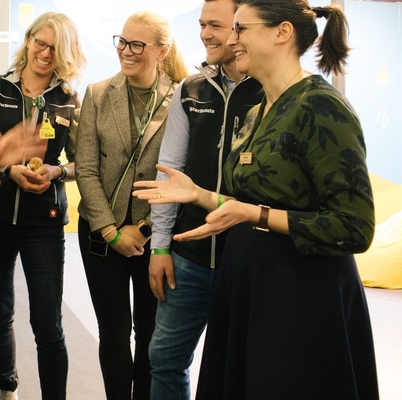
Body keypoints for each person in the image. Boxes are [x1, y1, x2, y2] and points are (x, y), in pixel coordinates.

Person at [133, 1, 379, 398]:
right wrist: (201, 195)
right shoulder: (262, 109)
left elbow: (353, 226)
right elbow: (251, 199)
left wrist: (253, 214)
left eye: (241, 30)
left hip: (299, 297)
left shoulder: (321, 107)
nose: (232, 40)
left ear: (281, 33)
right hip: (251, 286)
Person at [0, 11, 85, 400]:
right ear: (29, 40)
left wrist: (56, 172)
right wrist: (5, 167)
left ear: (65, 53)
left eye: (55, 47)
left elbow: (83, 163)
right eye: (40, 42)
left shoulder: (69, 100)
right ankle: (6, 387)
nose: (45, 53)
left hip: (45, 221)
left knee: (48, 322)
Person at [145, 1, 263, 398]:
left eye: (215, 25)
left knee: (239, 371)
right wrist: (160, 247)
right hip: (188, 258)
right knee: (163, 359)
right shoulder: (190, 89)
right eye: (201, 24)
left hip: (247, 260)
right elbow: (169, 171)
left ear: (241, 28)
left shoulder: (273, 91)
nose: (204, 34)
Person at [75, 10, 188, 400]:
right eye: (122, 41)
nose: (126, 51)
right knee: (113, 332)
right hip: (99, 236)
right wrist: (109, 230)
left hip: (152, 237)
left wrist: (139, 230)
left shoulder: (180, 98)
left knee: (151, 333)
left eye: (137, 44)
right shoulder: (97, 94)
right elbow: (86, 170)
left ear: (162, 51)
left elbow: (176, 176)